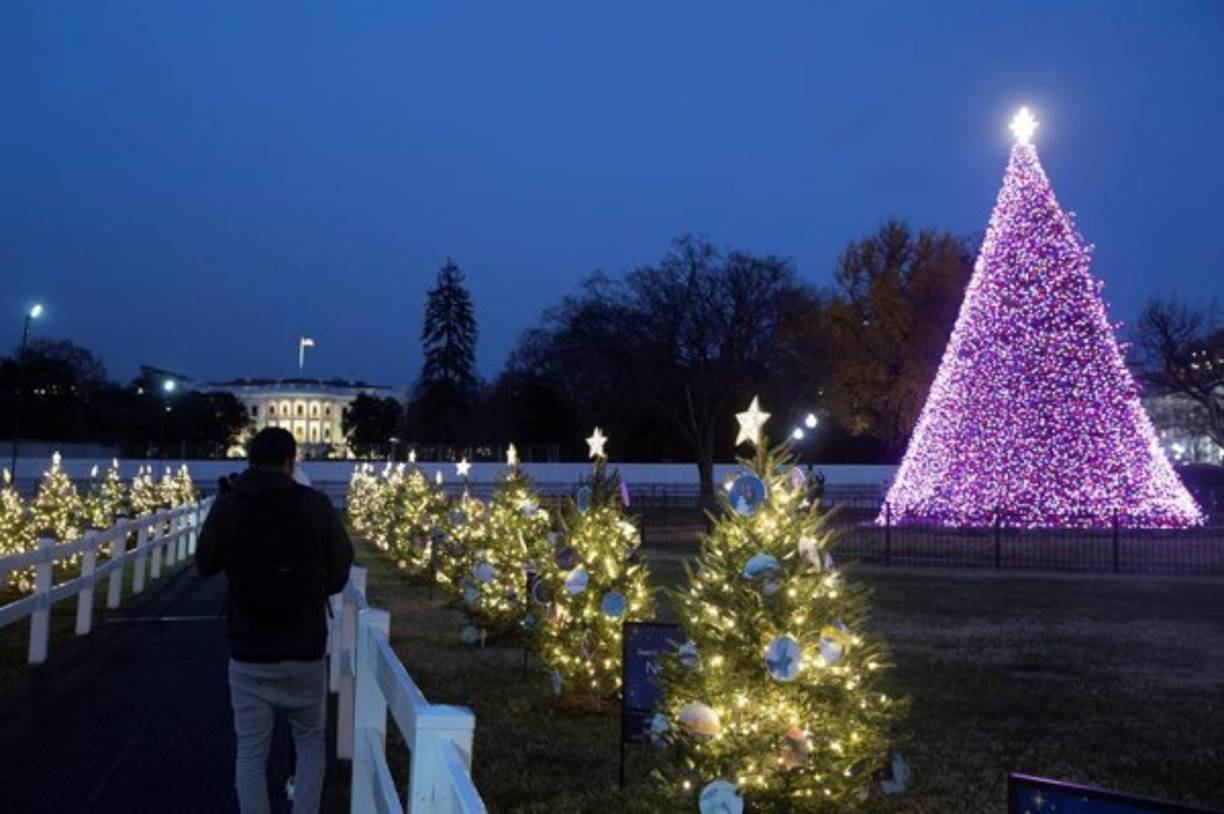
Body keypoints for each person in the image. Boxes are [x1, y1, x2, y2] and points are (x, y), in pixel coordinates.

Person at [197, 427, 354, 814]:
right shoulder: (314, 504)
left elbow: (205, 563)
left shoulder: (231, 504)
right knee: (310, 741)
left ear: (250, 460)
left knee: (251, 751)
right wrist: (315, 590)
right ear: (291, 461)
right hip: (304, 644)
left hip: (248, 644)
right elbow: (341, 564)